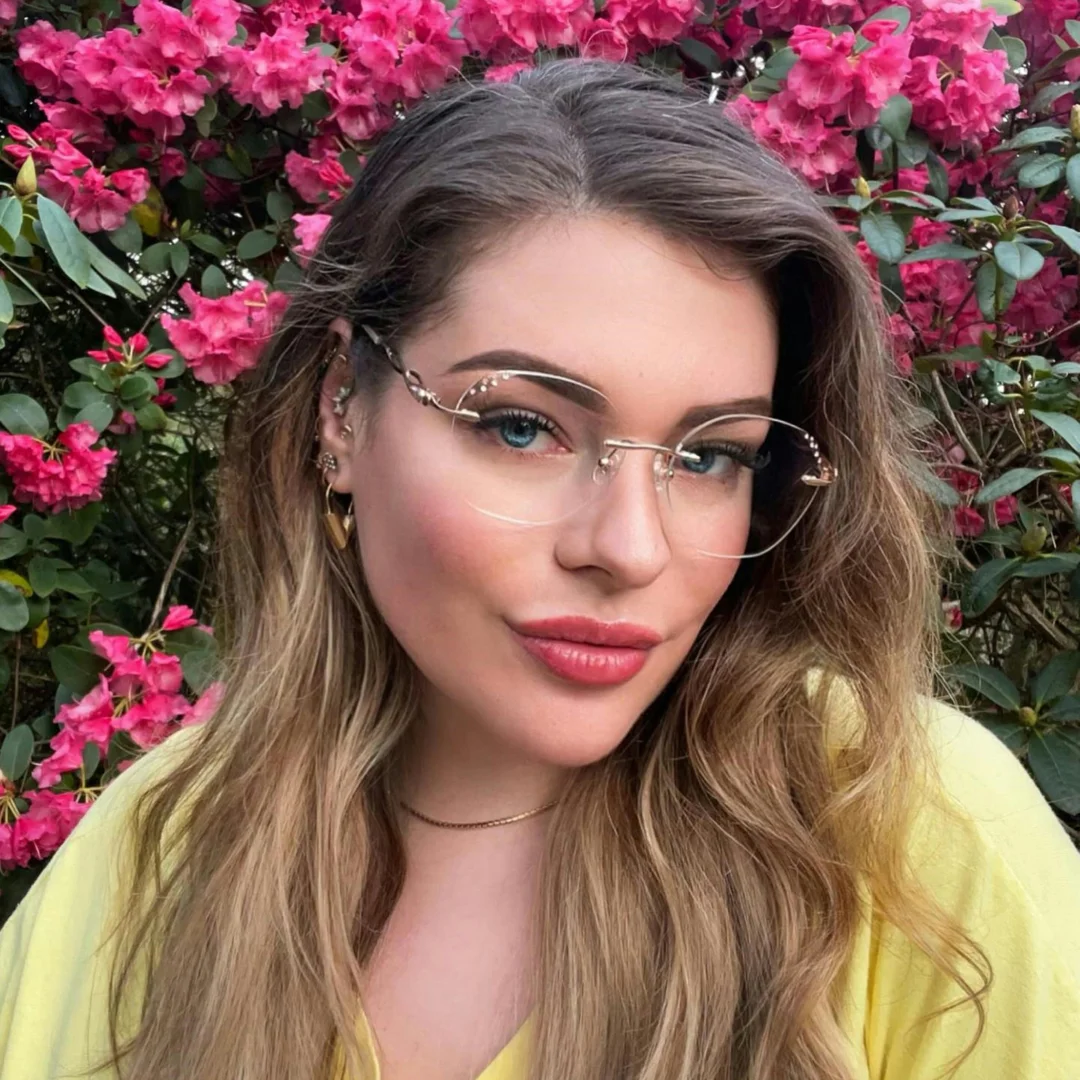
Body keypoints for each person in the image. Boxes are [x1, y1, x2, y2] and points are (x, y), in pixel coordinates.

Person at [1, 57, 1079, 1080]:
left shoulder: (904, 824)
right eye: (520, 427)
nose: (630, 549)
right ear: (341, 408)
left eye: (710, 456)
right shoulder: (155, 854)